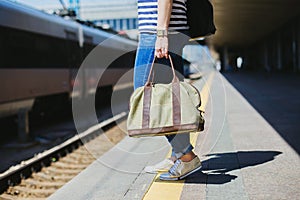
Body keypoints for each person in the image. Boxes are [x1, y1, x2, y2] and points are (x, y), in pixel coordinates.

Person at [134, 0, 202, 180]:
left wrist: (161, 33)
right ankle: (177, 156)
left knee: (143, 91)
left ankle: (187, 157)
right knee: (172, 97)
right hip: (171, 29)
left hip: (159, 30)